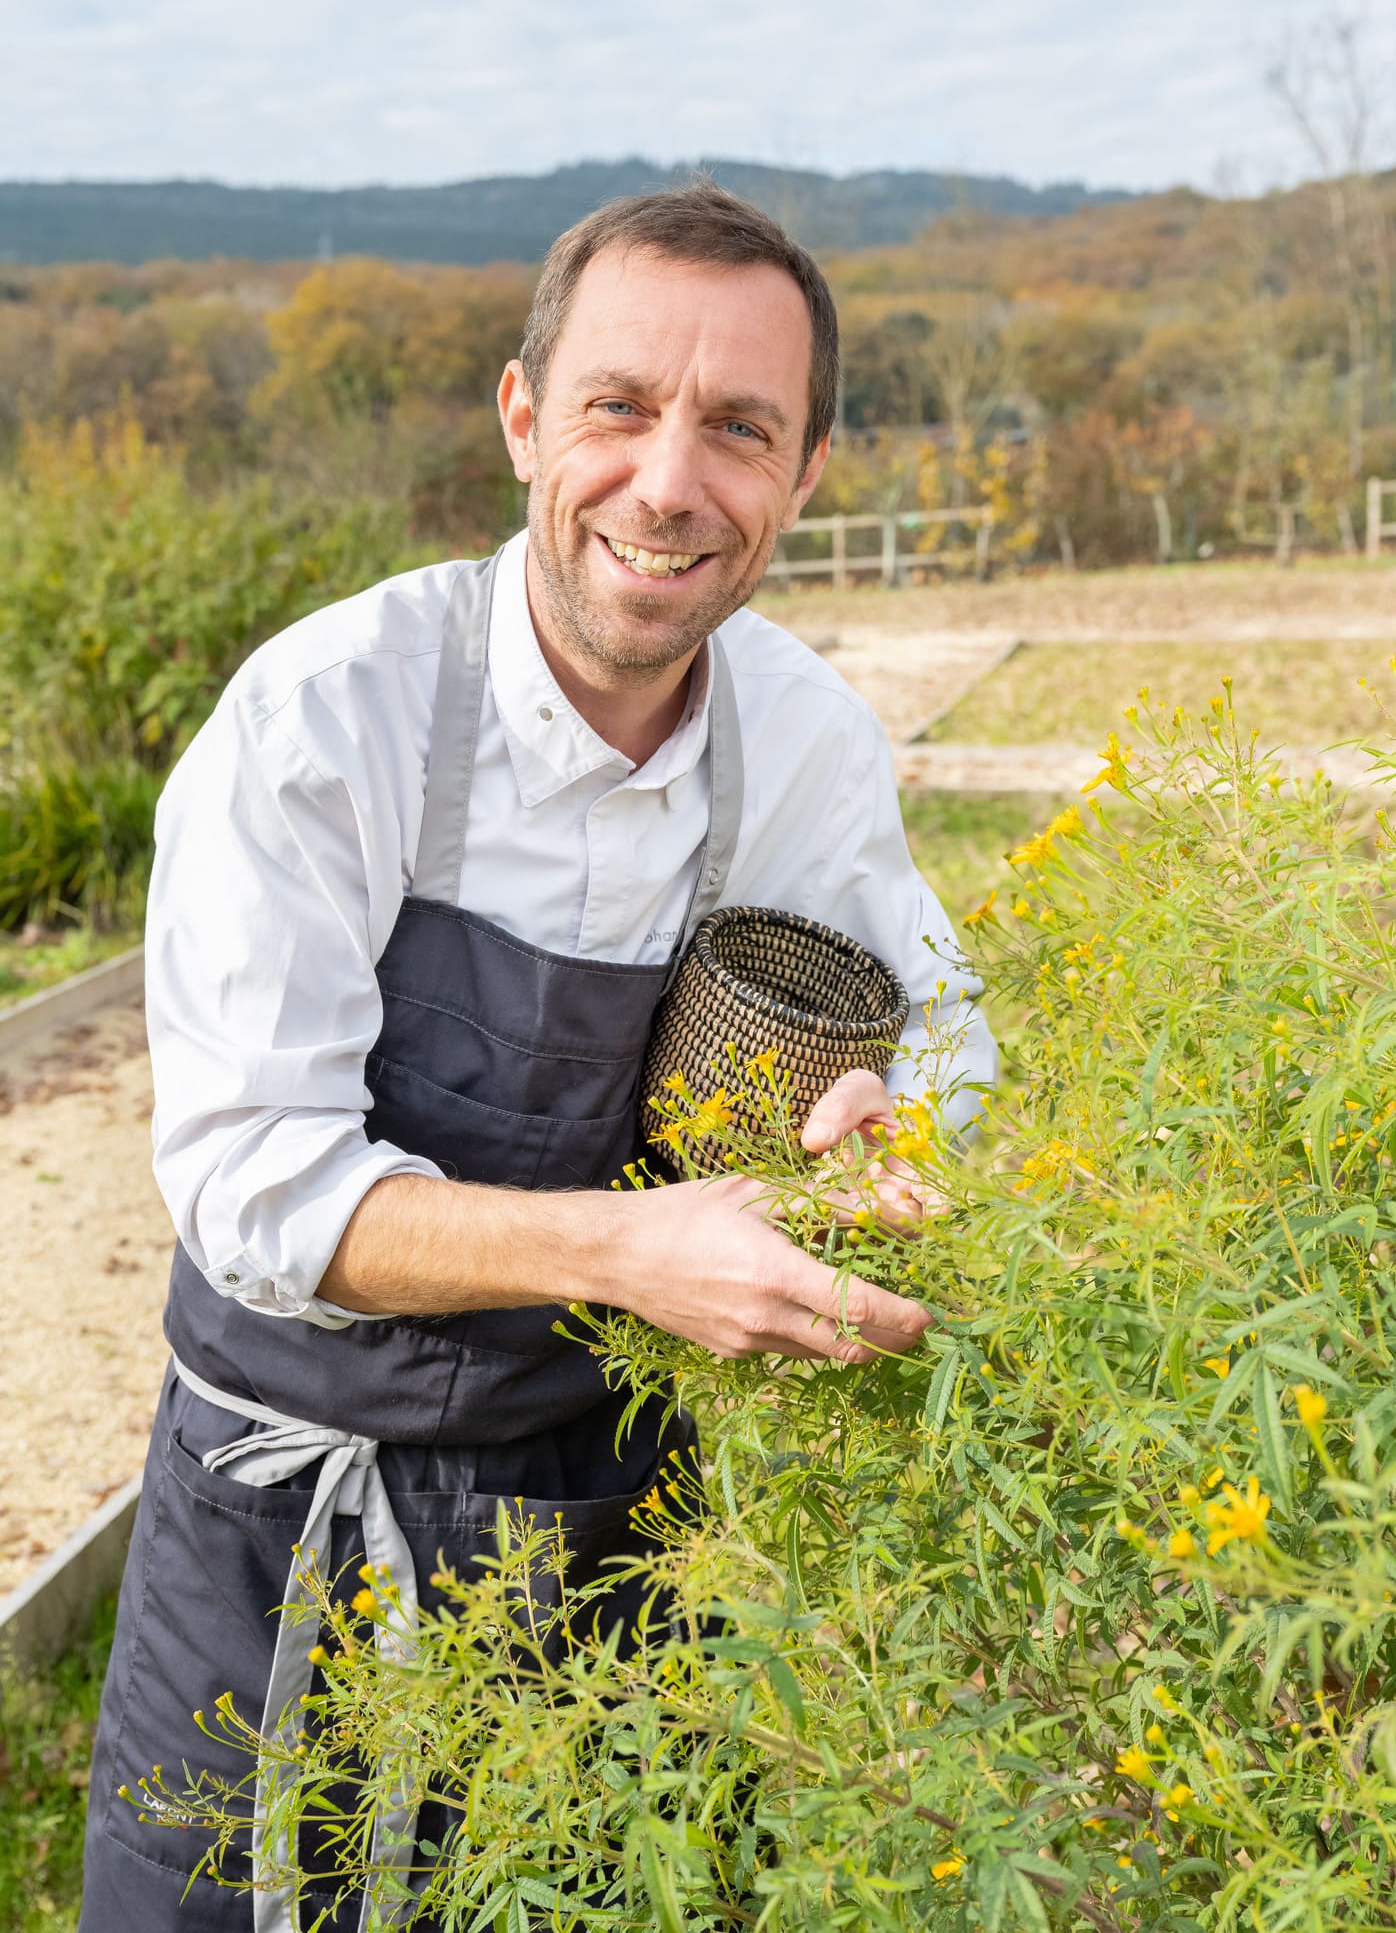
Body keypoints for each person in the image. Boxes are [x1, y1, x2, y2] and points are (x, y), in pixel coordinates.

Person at [81, 179, 997, 1928]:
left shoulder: (797, 744)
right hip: (282, 1531)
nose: (671, 482)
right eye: (619, 405)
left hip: (607, 1520)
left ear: (807, 475)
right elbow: (250, 1186)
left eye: (742, 427)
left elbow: (946, 1039)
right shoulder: (326, 718)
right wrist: (628, 1251)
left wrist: (898, 1130)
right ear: (522, 418)